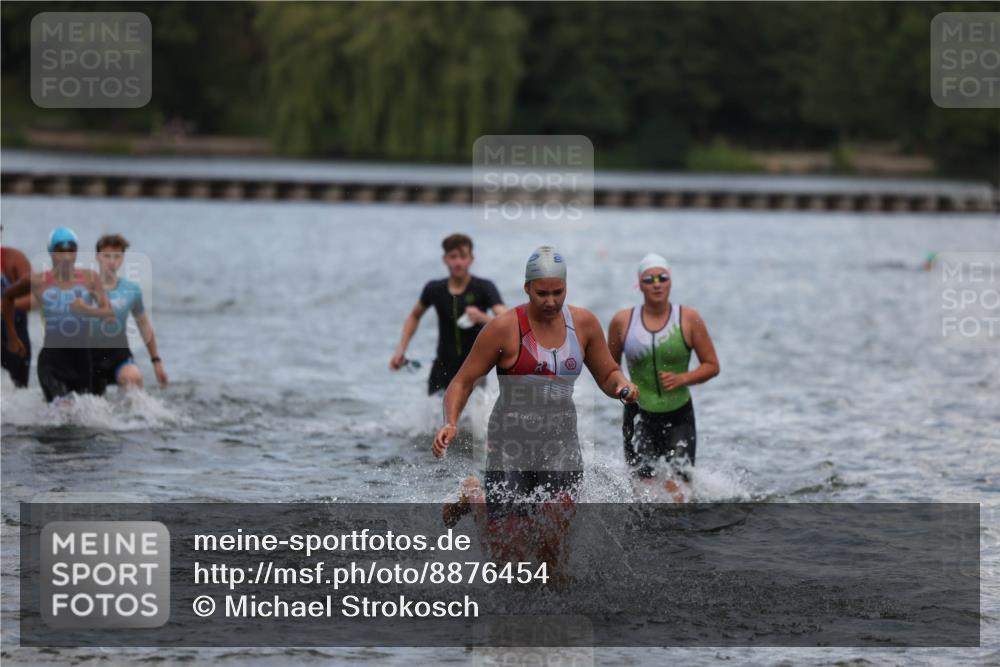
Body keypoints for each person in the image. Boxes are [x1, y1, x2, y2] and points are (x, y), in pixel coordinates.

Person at [432, 246, 638, 569]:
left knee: (552, 550)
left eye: (558, 292)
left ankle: (556, 610)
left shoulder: (583, 324)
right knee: (507, 558)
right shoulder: (504, 328)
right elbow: (462, 382)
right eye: (542, 293)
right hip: (510, 449)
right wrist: (451, 422)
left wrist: (623, 387)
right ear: (527, 287)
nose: (551, 301)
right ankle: (475, 497)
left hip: (561, 449)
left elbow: (608, 373)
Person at [607, 253, 720, 501]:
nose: (656, 283)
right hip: (638, 415)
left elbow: (712, 365)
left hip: (679, 414)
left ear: (670, 282)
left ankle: (677, 538)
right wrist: (623, 385)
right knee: (643, 493)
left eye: (662, 277)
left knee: (679, 492)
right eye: (649, 278)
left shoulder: (688, 318)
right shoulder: (622, 321)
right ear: (640, 284)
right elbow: (609, 368)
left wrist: (683, 378)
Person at [2, 227, 114, 402]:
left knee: (81, 419)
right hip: (51, 361)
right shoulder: (38, 281)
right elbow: (8, 297)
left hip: (82, 360)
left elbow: (109, 314)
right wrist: (12, 336)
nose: (67, 256)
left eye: (71, 250)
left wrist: (87, 310)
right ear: (51, 252)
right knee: (61, 409)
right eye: (61, 251)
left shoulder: (90, 278)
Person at [390, 234, 506, 394]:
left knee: (473, 417)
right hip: (441, 369)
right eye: (453, 257)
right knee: (436, 417)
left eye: (463, 257)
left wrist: (482, 318)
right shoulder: (434, 289)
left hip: (474, 371)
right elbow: (414, 316)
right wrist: (400, 350)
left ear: (471, 259)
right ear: (444, 259)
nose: (458, 262)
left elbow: (506, 321)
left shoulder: (484, 287)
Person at [90, 234, 168, 393]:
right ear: (98, 257)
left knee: (134, 377)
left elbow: (144, 325)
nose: (112, 261)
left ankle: (130, 418)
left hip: (118, 354)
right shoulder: (84, 287)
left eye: (117, 256)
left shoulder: (131, 290)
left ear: (122, 259)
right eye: (107, 256)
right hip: (89, 356)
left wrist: (156, 362)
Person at [1, 229, 33, 387]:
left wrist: (6, 305)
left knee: (20, 389)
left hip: (14, 333)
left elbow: (35, 298)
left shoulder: (14, 259)